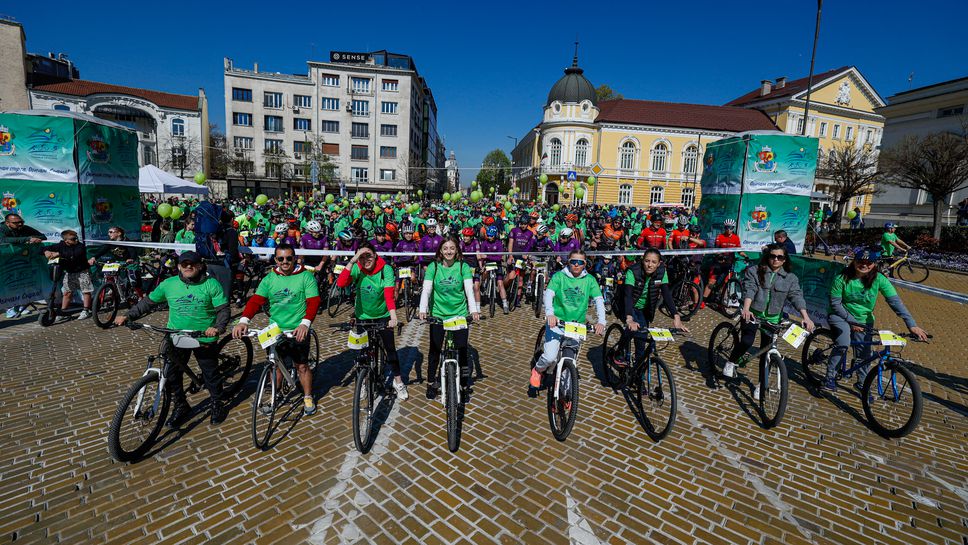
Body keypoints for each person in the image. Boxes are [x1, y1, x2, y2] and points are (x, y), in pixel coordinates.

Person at [114, 251, 232, 425]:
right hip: (176, 336)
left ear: (200, 266)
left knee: (210, 373)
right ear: (178, 267)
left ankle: (217, 402)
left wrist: (217, 327)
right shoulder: (168, 284)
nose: (188, 267)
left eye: (192, 264)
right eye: (184, 264)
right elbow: (148, 302)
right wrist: (129, 316)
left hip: (203, 337)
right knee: (171, 374)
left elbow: (223, 309)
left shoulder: (211, 284)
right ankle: (181, 405)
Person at [233, 244, 321, 415]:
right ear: (275, 260)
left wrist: (305, 324)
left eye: (289, 258)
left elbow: (314, 302)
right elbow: (255, 301)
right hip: (275, 328)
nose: (285, 262)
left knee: (301, 366)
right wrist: (243, 321)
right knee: (275, 365)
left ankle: (308, 396)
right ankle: (275, 395)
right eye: (281, 259)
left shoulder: (306, 277)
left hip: (297, 328)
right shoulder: (269, 278)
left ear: (294, 258)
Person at [826, 247, 928, 391]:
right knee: (843, 343)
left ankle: (862, 383)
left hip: (863, 319)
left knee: (864, 353)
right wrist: (851, 321)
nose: (865, 265)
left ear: (874, 264)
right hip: (840, 315)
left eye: (869, 262)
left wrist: (912, 325)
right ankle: (829, 376)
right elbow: (835, 304)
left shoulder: (879, 279)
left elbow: (895, 302)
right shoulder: (841, 278)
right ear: (854, 261)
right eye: (861, 261)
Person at [719, 244, 815, 394]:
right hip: (752, 313)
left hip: (773, 318)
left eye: (780, 257)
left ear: (784, 260)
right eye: (772, 256)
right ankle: (731, 361)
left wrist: (805, 317)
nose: (775, 259)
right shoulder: (754, 271)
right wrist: (745, 308)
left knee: (766, 352)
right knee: (747, 341)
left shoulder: (790, 278)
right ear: (767, 256)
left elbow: (796, 296)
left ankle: (761, 384)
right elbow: (750, 289)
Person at [529, 250, 606, 397]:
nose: (576, 265)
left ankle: (565, 393)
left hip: (576, 327)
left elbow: (599, 300)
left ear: (585, 264)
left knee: (570, 360)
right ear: (568, 262)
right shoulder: (559, 276)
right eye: (573, 262)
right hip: (557, 323)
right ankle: (537, 370)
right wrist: (550, 313)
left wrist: (601, 321)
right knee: (549, 357)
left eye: (580, 262)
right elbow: (549, 293)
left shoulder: (590, 280)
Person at [336, 243, 408, 400]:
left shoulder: (386, 269)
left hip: (383, 315)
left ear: (375, 255)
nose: (365, 260)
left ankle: (398, 381)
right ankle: (363, 380)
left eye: (368, 255)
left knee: (390, 350)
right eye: (361, 257)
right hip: (363, 316)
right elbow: (341, 283)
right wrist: (352, 261)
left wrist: (393, 317)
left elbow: (389, 295)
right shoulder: (356, 267)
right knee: (362, 352)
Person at [419, 236, 481, 398]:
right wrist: (423, 309)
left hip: (459, 313)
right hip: (438, 313)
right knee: (435, 350)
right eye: (445, 248)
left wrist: (473, 310)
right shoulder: (433, 267)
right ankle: (431, 382)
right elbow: (426, 289)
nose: (449, 251)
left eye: (452, 248)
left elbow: (469, 290)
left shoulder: (463, 266)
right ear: (440, 250)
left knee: (462, 349)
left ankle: (464, 383)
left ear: (457, 250)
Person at [2, 213, 47, 318]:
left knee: (19, 282)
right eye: (16, 222)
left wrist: (32, 238)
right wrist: (26, 239)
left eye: (21, 221)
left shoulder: (24, 227)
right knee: (7, 283)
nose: (20, 224)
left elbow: (42, 236)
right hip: (4, 262)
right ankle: (8, 307)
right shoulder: (2, 229)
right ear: (7, 223)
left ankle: (18, 306)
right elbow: (2, 240)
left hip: (19, 260)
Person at [43, 230, 94, 320]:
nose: (76, 240)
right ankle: (63, 312)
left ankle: (86, 310)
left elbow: (74, 254)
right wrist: (46, 251)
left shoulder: (80, 246)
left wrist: (58, 254)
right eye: (73, 239)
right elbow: (42, 249)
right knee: (67, 292)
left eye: (76, 237)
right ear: (66, 240)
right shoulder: (61, 245)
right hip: (69, 272)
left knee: (86, 291)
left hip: (82, 271)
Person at [703, 219, 742, 303]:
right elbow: (716, 249)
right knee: (711, 282)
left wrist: (746, 256)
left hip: (728, 263)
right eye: (727, 227)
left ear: (733, 228)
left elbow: (740, 251)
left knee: (725, 283)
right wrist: (719, 255)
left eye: (731, 228)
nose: (729, 229)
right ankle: (703, 301)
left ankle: (719, 299)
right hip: (718, 263)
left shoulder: (736, 238)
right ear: (724, 227)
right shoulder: (719, 236)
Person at [479, 225, 510, 313]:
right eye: (488, 235)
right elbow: (482, 255)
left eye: (491, 236)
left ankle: (504, 303)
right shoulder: (484, 243)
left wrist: (488, 256)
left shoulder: (499, 243)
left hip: (497, 265)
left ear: (495, 235)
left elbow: (499, 257)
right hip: (488, 264)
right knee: (484, 273)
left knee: (500, 284)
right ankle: (484, 285)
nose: (489, 237)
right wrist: (486, 259)